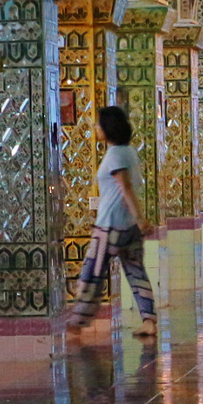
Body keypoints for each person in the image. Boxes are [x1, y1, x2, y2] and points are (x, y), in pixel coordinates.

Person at [69, 105, 157, 338]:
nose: (95, 127)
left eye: (98, 124)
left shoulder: (116, 154)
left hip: (109, 225)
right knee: (136, 273)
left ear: (108, 127)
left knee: (92, 271)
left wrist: (141, 218)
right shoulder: (128, 151)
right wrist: (136, 221)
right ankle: (149, 320)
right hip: (128, 227)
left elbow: (125, 187)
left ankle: (78, 322)